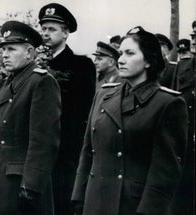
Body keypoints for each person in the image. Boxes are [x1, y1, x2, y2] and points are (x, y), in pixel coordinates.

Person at [71, 26, 188, 215]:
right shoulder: (104, 94)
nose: (121, 59)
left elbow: (164, 172)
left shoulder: (167, 104)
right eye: (120, 53)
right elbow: (88, 150)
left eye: (130, 53)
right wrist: (78, 197)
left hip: (131, 205)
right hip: (95, 200)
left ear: (149, 61)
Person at [0, 20, 61, 215]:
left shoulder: (41, 82)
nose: (5, 55)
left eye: (12, 49)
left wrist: (31, 185)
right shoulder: (9, 82)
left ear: (30, 53)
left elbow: (44, 141)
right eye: (3, 49)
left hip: (19, 184)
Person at [37, 3, 96, 215]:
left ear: (66, 32)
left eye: (52, 29)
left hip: (64, 153)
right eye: (43, 29)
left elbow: (82, 114)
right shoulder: (33, 64)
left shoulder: (81, 65)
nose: (45, 34)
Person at [169, 37, 195, 215]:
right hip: (186, 143)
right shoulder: (182, 67)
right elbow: (173, 103)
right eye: (193, 35)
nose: (194, 40)